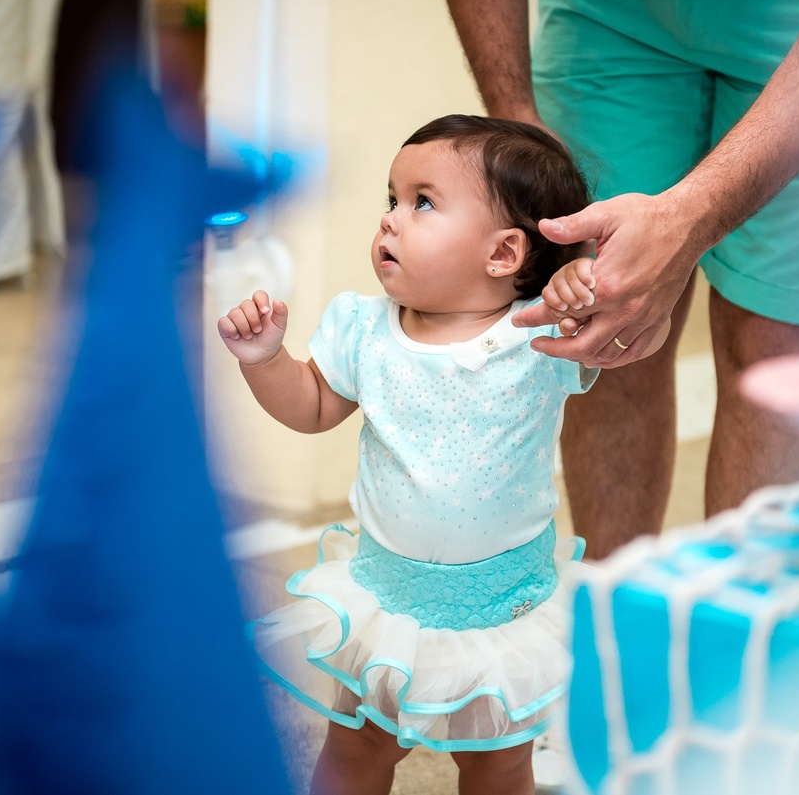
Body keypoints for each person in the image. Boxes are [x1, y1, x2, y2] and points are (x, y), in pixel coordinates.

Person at [444, 0, 799, 558]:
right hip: (611, 16)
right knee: (603, 320)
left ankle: (741, 628)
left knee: (775, 347)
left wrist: (684, 222)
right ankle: (615, 608)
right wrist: (517, 117)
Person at [218, 115, 596, 795]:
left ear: (504, 254)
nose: (391, 220)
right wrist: (266, 359)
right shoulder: (365, 329)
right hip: (388, 603)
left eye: (421, 202)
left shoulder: (542, 334)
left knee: (499, 762)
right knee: (358, 750)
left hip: (501, 612)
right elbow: (310, 406)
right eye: (390, 199)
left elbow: (623, 343)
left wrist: (585, 300)